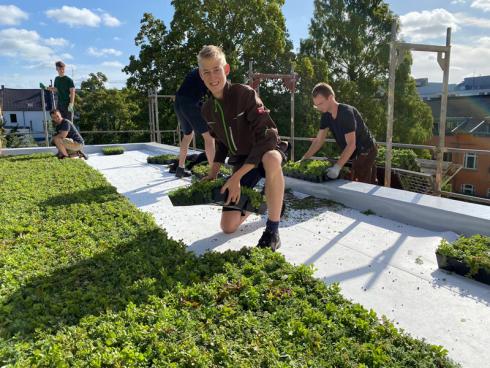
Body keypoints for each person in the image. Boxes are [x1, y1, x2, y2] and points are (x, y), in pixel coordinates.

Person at [199, 45, 286, 251]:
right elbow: (220, 143)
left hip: (264, 151)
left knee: (272, 159)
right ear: (201, 76)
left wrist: (236, 178)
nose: (213, 77)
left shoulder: (244, 94)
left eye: (216, 69)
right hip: (241, 160)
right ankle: (269, 200)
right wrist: (213, 172)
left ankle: (272, 231)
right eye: (206, 72)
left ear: (226, 69)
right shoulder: (207, 109)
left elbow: (268, 136)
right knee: (227, 226)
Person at [300, 83, 378, 184]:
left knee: (361, 183)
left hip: (366, 149)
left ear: (331, 98)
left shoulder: (346, 113)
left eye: (320, 104)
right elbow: (319, 140)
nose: (318, 108)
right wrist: (304, 158)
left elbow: (351, 145)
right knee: (359, 178)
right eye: (316, 105)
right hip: (355, 153)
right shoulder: (326, 115)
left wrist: (337, 167)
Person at [173, 68, 215, 178]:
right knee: (209, 137)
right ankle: (214, 174)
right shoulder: (207, 71)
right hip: (190, 102)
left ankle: (180, 168)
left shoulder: (196, 71)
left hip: (178, 102)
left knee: (187, 135)